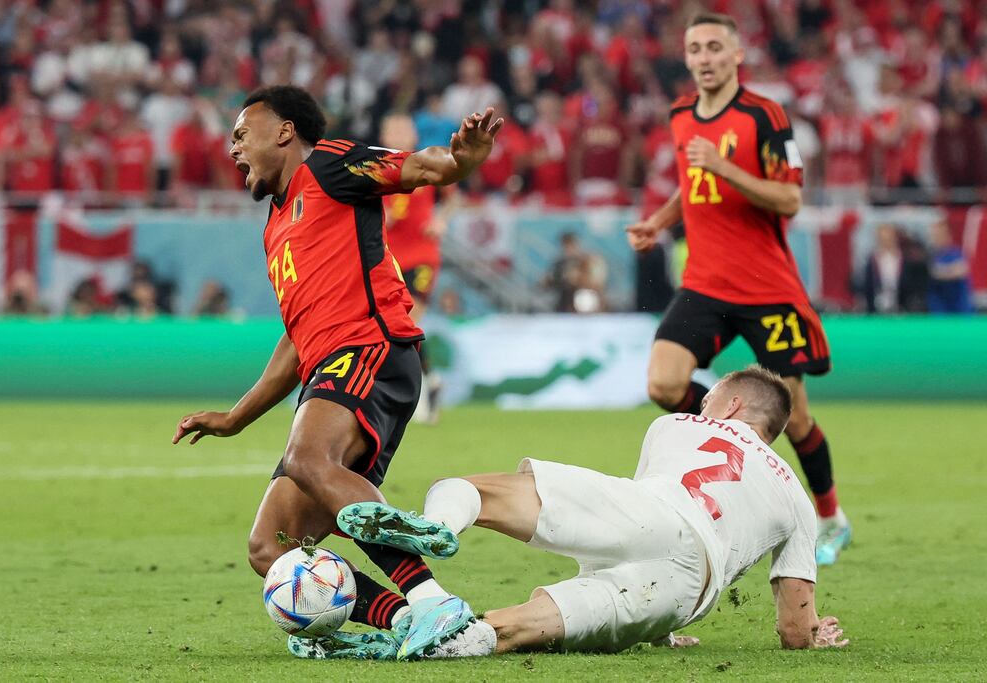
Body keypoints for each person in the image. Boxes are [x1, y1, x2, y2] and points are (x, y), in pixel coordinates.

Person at [171, 85, 504, 656]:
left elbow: (422, 166)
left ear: (284, 131)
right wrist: (235, 418)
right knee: (271, 547)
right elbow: (295, 340)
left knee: (308, 459)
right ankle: (408, 619)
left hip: (371, 348)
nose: (233, 148)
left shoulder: (330, 165)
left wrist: (463, 160)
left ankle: (433, 600)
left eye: (242, 134)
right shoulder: (275, 227)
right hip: (329, 368)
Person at [335, 367, 849, 658]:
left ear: (731, 404)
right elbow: (793, 630)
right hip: (681, 594)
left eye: (709, 398)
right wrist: (813, 635)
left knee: (466, 489)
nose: (702, 406)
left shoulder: (674, 425)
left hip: (648, 512)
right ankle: (455, 640)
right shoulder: (795, 496)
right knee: (507, 634)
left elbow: (637, 531)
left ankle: (440, 525)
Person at [624, 12, 850, 565]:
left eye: (714, 47)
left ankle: (831, 517)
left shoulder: (764, 115)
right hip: (705, 282)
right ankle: (733, 435)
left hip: (766, 287)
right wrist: (660, 222)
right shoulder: (681, 115)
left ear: (736, 55)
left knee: (795, 417)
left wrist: (725, 167)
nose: (704, 58)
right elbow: (691, 184)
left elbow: (789, 199)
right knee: (663, 382)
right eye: (695, 48)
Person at [380, 112, 455, 423]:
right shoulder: (377, 170)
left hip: (422, 256)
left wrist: (441, 220)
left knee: (406, 322)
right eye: (393, 128)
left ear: (414, 135)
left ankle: (416, 393)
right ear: (383, 136)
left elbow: (452, 197)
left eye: (404, 128)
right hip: (389, 260)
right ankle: (430, 382)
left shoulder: (426, 163)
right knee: (398, 328)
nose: (399, 134)